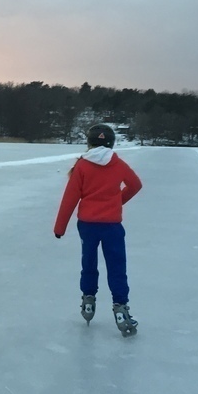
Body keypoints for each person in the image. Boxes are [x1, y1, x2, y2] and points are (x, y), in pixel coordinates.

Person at [53, 124, 142, 335]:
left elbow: (70, 199)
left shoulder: (82, 166)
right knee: (117, 267)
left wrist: (60, 228)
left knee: (89, 264)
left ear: (89, 142)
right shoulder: (118, 164)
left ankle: (88, 301)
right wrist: (117, 202)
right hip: (112, 226)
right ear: (111, 142)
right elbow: (135, 185)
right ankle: (121, 308)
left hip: (88, 226)